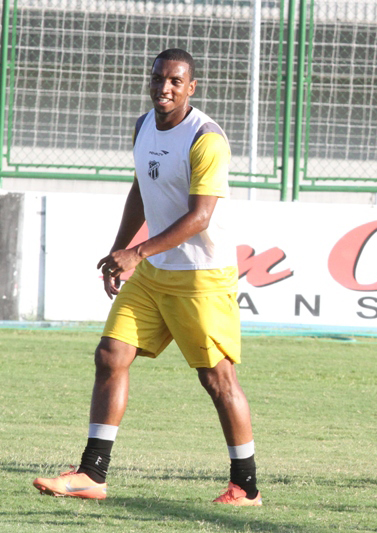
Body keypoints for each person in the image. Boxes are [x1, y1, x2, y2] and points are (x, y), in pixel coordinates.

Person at [33, 49, 262, 506]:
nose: (165, 88)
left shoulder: (206, 139)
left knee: (218, 380)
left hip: (202, 278)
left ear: (191, 87)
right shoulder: (142, 126)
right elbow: (141, 188)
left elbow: (200, 217)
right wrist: (119, 251)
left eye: (176, 81)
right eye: (158, 79)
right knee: (110, 354)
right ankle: (92, 474)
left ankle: (247, 487)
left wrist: (136, 252)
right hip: (155, 271)